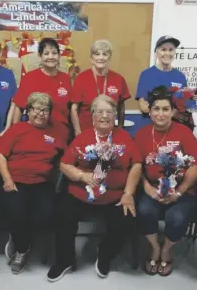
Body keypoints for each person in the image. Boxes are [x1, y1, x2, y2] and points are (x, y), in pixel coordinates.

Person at [47, 94, 142, 282]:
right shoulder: (83, 137)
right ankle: (65, 260)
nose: (104, 116)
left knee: (127, 218)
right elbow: (65, 165)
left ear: (115, 115)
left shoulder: (123, 137)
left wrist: (128, 193)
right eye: (100, 112)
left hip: (114, 195)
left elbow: (137, 164)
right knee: (62, 213)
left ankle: (105, 253)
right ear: (93, 116)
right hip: (82, 194)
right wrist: (83, 176)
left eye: (109, 112)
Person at [134, 86, 197, 276]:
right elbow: (136, 166)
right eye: (156, 109)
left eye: (165, 109)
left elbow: (196, 165)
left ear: (173, 111)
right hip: (152, 189)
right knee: (144, 211)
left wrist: (179, 191)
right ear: (150, 111)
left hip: (182, 191)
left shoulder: (184, 133)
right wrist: (147, 187)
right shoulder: (141, 135)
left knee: (177, 218)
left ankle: (167, 249)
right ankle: (155, 247)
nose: (161, 114)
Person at [0, 92, 68, 274]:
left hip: (42, 183)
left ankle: (22, 238)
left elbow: (66, 157)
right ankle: (21, 249)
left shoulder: (57, 132)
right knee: (15, 212)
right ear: (28, 110)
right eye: (36, 109)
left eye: (45, 110)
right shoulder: (17, 130)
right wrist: (7, 179)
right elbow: (1, 155)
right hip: (15, 181)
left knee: (46, 213)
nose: (40, 113)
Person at [12, 38, 72, 137]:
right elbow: (19, 107)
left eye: (54, 53)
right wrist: (16, 132)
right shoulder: (29, 78)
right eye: (46, 53)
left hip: (61, 133)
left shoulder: (65, 78)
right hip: (35, 133)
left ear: (59, 56)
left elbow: (70, 108)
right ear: (40, 56)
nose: (51, 57)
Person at [71, 39, 130, 135]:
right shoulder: (81, 78)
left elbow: (121, 106)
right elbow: (74, 108)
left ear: (109, 57)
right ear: (91, 58)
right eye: (97, 54)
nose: (101, 58)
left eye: (105, 54)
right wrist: (77, 131)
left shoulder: (119, 79)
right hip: (85, 131)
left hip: (110, 132)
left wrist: (120, 128)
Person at [135, 35, 192, 129]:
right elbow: (143, 107)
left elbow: (184, 105)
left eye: (171, 50)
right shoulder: (146, 75)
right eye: (163, 49)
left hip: (173, 128)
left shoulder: (180, 76)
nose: (167, 53)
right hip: (150, 127)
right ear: (156, 52)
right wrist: (167, 111)